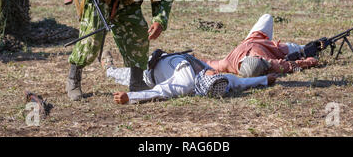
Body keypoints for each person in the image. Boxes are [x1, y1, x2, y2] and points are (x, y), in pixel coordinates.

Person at [108, 51, 279, 104]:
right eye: (218, 75)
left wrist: (129, 97)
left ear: (205, 81)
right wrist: (265, 80)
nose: (218, 73)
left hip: (147, 74)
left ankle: (107, 65)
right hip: (162, 56)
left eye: (215, 75)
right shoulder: (219, 79)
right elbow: (240, 82)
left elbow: (158, 91)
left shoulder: (185, 82)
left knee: (116, 73)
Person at [203, 14, 319, 77]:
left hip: (254, 37)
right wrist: (309, 61)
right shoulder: (269, 62)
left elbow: (207, 63)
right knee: (303, 48)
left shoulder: (227, 63)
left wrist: (188, 59)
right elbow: (289, 65)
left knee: (267, 17)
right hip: (276, 48)